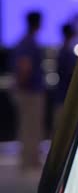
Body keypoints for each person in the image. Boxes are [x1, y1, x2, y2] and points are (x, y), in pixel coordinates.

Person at [12, 12, 45, 172]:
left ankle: (31, 159)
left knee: (30, 125)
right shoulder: (28, 42)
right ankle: (28, 160)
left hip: (29, 90)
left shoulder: (26, 41)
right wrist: (22, 87)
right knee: (30, 126)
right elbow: (24, 66)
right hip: (30, 92)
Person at [53, 22, 77, 133]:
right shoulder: (66, 52)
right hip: (65, 94)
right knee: (62, 126)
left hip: (63, 94)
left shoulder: (63, 51)